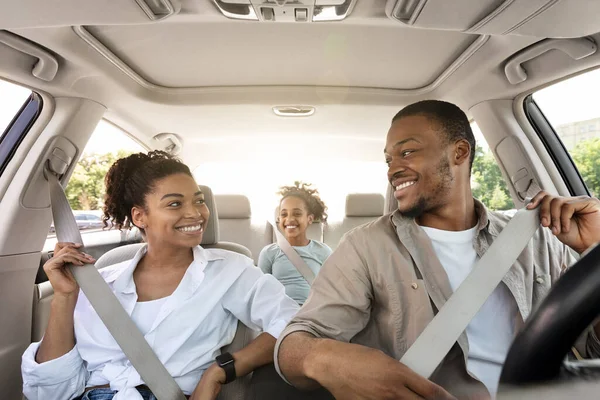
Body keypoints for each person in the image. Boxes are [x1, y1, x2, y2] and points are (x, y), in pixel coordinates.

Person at [275, 100, 600, 399]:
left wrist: (596, 250)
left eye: (407, 153)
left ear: (459, 152)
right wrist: (326, 359)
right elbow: (295, 342)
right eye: (389, 159)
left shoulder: (537, 238)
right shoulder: (365, 246)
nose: (392, 169)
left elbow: (589, 348)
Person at [21, 151, 300, 400]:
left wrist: (219, 371)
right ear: (140, 216)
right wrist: (65, 297)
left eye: (199, 201)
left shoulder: (231, 270)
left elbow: (291, 323)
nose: (196, 214)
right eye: (175, 204)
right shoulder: (98, 280)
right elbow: (50, 391)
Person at [258, 182, 332, 305]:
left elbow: (332, 291)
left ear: (310, 219)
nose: (289, 219)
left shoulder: (323, 251)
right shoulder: (269, 253)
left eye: (297, 214)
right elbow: (261, 293)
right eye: (284, 214)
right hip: (279, 314)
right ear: (279, 219)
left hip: (313, 314)